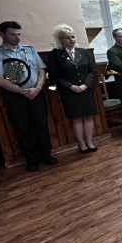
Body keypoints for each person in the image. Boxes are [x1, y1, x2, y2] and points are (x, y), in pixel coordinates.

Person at [0, 21, 57, 172]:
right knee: (22, 128)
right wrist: (21, 91)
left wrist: (37, 88)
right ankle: (31, 160)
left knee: (41, 125)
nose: (17, 38)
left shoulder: (29, 50)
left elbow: (41, 70)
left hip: (36, 93)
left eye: (19, 34)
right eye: (12, 34)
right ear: (2, 34)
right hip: (15, 96)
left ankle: (46, 155)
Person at [47, 24, 98, 152]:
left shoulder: (83, 52)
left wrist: (85, 84)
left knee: (89, 117)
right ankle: (81, 144)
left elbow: (92, 71)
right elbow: (53, 76)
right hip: (70, 92)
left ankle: (89, 142)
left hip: (86, 89)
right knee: (77, 118)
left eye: (73, 37)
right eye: (67, 37)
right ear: (61, 39)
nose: (71, 40)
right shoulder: (56, 54)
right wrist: (70, 86)